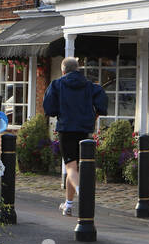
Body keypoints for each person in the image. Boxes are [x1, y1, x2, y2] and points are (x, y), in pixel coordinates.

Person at [43, 57, 109, 216]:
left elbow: (49, 108)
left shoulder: (57, 84)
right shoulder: (88, 85)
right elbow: (102, 99)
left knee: (71, 167)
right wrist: (95, 115)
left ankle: (82, 193)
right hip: (84, 130)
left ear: (63, 70)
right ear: (78, 69)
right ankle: (68, 204)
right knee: (76, 168)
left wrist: (58, 112)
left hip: (66, 129)